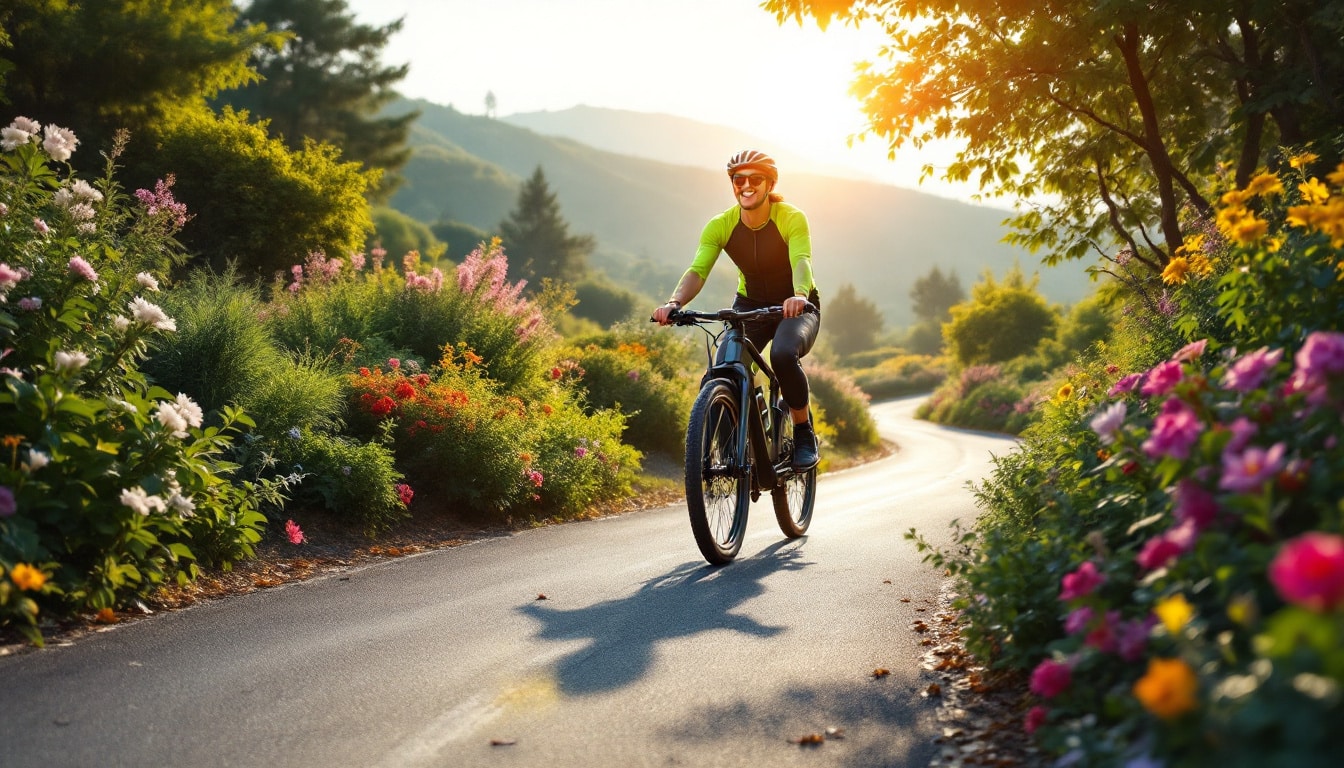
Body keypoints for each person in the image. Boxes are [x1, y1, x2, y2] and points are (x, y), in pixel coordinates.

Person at [653, 149, 822, 470]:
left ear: (769, 184)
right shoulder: (721, 225)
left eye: (754, 179)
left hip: (798, 305)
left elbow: (802, 261)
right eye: (738, 179)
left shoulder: (791, 217)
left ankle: (803, 432)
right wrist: (675, 303)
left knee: (783, 355)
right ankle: (732, 449)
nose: (745, 185)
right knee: (723, 368)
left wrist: (799, 294)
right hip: (750, 304)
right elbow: (698, 270)